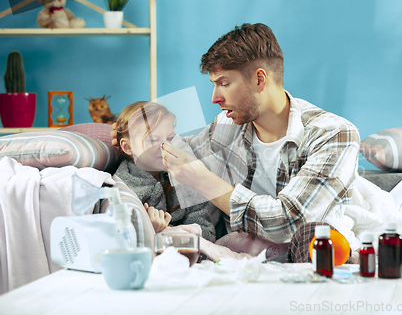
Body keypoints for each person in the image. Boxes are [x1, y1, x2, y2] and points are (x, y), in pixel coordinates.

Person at [158, 23, 360, 246]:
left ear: (259, 79)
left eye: (224, 83)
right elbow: (171, 152)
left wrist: (203, 181)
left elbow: (290, 223)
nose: (214, 98)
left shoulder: (333, 133)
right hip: (240, 259)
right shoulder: (225, 126)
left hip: (313, 257)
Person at [114, 101, 216, 242]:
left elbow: (207, 231)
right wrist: (149, 231)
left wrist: (170, 233)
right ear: (127, 147)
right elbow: (119, 239)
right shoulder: (122, 188)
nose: (165, 146)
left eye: (170, 138)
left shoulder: (186, 176)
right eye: (153, 139)